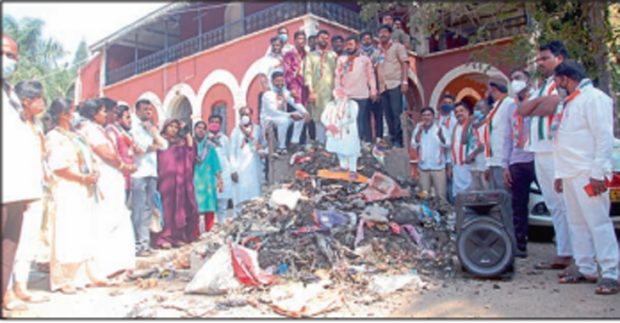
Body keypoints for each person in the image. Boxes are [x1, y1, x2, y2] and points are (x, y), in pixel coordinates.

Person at [552, 60, 618, 295]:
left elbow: (603, 138)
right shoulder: (570, 103)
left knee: (598, 223)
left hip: (588, 173)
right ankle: (586, 267)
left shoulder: (594, 98)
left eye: (557, 80)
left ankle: (611, 272)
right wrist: (559, 174)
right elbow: (565, 140)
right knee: (576, 223)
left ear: (566, 78)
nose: (557, 85)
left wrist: (598, 172)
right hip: (570, 173)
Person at [518, 40, 573, 271]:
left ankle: (579, 257)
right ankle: (564, 252)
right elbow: (522, 111)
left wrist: (535, 105)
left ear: (559, 58)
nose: (539, 63)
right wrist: (537, 103)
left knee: (567, 203)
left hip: (556, 149)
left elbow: (552, 106)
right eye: (539, 59)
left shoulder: (564, 82)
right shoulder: (542, 85)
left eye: (544, 58)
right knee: (554, 205)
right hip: (539, 150)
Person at [2, 35, 45, 311]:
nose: (9, 61)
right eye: (5, 53)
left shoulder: (11, 96)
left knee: (9, 245)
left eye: (13, 57)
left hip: (15, 187)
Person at [45, 98, 104, 294]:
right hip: (67, 188)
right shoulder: (54, 137)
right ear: (63, 114)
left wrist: (93, 172)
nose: (75, 114)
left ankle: (83, 275)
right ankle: (64, 279)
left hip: (83, 188)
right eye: (71, 110)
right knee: (67, 232)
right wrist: (82, 177)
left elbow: (89, 157)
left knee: (83, 231)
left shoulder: (76, 135)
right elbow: (58, 167)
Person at [78, 99, 137, 278]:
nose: (107, 115)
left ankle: (118, 263)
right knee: (107, 220)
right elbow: (105, 153)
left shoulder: (100, 130)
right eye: (104, 112)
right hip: (105, 180)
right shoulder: (90, 130)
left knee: (117, 218)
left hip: (112, 179)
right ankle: (106, 266)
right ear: (94, 113)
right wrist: (123, 166)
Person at [6, 81, 50, 307]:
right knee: (10, 240)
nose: (43, 103)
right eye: (39, 99)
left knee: (28, 240)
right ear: (25, 101)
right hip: (15, 189)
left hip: (35, 187)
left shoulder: (38, 125)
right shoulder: (13, 123)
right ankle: (7, 290)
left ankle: (21, 285)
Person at [502, 69, 536, 258]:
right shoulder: (511, 107)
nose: (515, 82)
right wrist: (505, 164)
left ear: (528, 81)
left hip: (537, 158)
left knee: (553, 201)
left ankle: (564, 247)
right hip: (517, 160)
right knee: (518, 204)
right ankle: (520, 244)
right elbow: (507, 137)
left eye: (519, 78)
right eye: (512, 78)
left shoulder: (538, 100)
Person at [130, 99, 168, 257]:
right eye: (145, 109)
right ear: (137, 111)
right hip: (138, 173)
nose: (148, 112)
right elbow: (137, 148)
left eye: (150, 110)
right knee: (138, 209)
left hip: (152, 172)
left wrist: (153, 133)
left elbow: (164, 145)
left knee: (148, 209)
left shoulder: (151, 127)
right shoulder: (133, 127)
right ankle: (137, 244)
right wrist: (151, 147)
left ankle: (145, 244)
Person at [154, 119, 199, 248]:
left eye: (176, 127)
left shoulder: (180, 143)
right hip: (165, 181)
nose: (173, 129)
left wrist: (186, 131)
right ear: (165, 127)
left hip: (179, 182)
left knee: (180, 208)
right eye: (171, 126)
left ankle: (178, 236)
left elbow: (191, 150)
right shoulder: (160, 141)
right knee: (166, 210)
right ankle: (164, 238)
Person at [334, 35, 377, 144]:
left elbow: (371, 76)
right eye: (347, 45)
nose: (348, 47)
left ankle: (359, 143)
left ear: (357, 45)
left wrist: (373, 91)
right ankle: (348, 143)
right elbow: (338, 77)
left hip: (361, 95)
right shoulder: (342, 60)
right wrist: (338, 92)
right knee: (347, 121)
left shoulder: (365, 59)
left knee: (360, 120)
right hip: (346, 96)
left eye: (351, 44)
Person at [260, 71, 308, 155]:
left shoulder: (284, 92)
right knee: (284, 121)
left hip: (284, 116)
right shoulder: (268, 95)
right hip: (270, 118)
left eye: (282, 81)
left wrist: (305, 112)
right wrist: (290, 115)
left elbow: (294, 102)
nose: (280, 83)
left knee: (300, 116)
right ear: (272, 82)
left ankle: (294, 141)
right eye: (277, 81)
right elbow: (272, 112)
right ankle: (281, 147)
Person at [376, 25, 409, 148]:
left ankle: (399, 141)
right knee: (388, 115)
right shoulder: (378, 51)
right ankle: (392, 138)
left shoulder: (397, 47)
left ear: (390, 34)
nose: (382, 35)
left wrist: (404, 81)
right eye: (380, 33)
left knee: (396, 113)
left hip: (395, 84)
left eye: (384, 32)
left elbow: (405, 63)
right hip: (383, 87)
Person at [230, 107, 267, 215]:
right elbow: (232, 152)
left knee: (255, 195)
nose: (245, 116)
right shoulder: (236, 131)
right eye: (243, 114)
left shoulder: (258, 129)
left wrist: (262, 152)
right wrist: (233, 170)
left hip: (255, 167)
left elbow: (263, 145)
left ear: (252, 114)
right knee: (241, 195)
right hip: (240, 169)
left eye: (247, 114)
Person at [304, 30, 338, 144]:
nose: (324, 40)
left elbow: (337, 74)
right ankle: (321, 144)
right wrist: (311, 92)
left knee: (331, 118)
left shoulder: (333, 55)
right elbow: (307, 74)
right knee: (318, 119)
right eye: (322, 38)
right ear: (317, 39)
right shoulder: (310, 56)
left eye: (326, 38)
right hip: (316, 93)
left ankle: (331, 145)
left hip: (331, 93)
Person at [410, 107, 450, 202]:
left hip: (438, 167)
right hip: (424, 167)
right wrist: (419, 131)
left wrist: (440, 136)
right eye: (424, 115)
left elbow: (447, 144)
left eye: (429, 115)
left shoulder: (440, 127)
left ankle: (443, 214)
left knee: (440, 196)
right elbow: (414, 144)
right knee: (424, 195)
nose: (426, 118)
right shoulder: (419, 127)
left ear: (433, 116)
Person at [321, 88, 361, 180]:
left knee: (351, 151)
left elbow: (352, 118)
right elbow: (323, 117)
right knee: (338, 149)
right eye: (337, 94)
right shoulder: (330, 104)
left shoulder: (352, 104)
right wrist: (329, 125)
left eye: (341, 93)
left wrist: (338, 125)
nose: (339, 96)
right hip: (334, 131)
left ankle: (353, 170)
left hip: (348, 132)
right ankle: (343, 166)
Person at [483, 75, 513, 190]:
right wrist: (488, 164)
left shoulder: (509, 104)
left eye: (488, 90)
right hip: (494, 161)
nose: (487, 94)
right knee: (497, 199)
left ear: (494, 89)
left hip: (504, 161)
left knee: (506, 197)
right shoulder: (495, 108)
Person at [193, 121, 223, 234]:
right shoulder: (190, 145)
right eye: (198, 128)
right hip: (194, 179)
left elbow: (216, 164)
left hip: (208, 180)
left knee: (209, 207)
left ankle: (209, 231)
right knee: (194, 208)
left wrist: (220, 180)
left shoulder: (210, 146)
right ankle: (194, 233)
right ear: (194, 129)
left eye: (203, 128)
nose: (201, 130)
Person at [450, 101, 483, 196]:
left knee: (473, 196)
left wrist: (472, 155)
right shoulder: (455, 126)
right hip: (457, 167)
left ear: (468, 112)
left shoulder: (474, 125)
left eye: (461, 111)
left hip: (471, 166)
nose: (458, 113)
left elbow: (481, 144)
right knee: (459, 197)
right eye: (456, 112)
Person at [206, 115, 234, 223]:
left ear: (221, 124)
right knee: (211, 199)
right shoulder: (205, 139)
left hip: (223, 172)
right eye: (212, 121)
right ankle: (211, 224)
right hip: (209, 172)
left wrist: (231, 170)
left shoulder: (225, 139)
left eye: (217, 122)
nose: (214, 124)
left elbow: (229, 155)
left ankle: (221, 222)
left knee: (223, 198)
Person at [106, 104, 137, 201]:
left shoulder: (128, 134)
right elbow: (112, 154)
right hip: (118, 177)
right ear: (118, 119)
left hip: (129, 177)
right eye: (127, 117)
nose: (130, 120)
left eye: (130, 117)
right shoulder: (112, 132)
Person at [360, 31, 383, 142]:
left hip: (376, 86)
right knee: (365, 115)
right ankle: (367, 139)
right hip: (362, 89)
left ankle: (379, 138)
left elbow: (380, 69)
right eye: (364, 39)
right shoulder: (358, 54)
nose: (366, 41)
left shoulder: (378, 53)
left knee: (378, 114)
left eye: (368, 38)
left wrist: (377, 89)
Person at [283, 31, 309, 111]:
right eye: (300, 39)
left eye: (304, 39)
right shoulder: (289, 55)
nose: (302, 41)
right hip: (295, 89)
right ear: (294, 40)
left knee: (306, 115)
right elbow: (287, 73)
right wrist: (292, 88)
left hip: (306, 89)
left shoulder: (307, 55)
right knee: (296, 115)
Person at [469, 100, 490, 190]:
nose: (477, 110)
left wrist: (473, 154)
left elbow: (484, 145)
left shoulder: (488, 125)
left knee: (488, 193)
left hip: (485, 165)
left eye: (480, 108)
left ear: (487, 110)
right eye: (476, 108)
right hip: (474, 165)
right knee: (476, 194)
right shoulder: (473, 125)